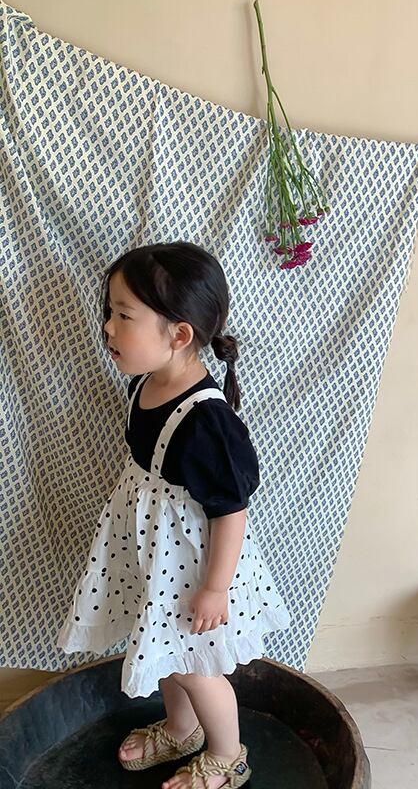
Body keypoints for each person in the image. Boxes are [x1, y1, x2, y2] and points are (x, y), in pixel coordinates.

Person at [57, 241, 291, 789]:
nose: (107, 328)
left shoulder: (207, 420)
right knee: (162, 650)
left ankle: (228, 755)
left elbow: (231, 511)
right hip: (152, 554)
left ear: (179, 334)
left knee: (193, 665)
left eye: (124, 316)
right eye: (109, 312)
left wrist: (215, 588)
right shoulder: (144, 382)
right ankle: (182, 729)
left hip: (194, 566)